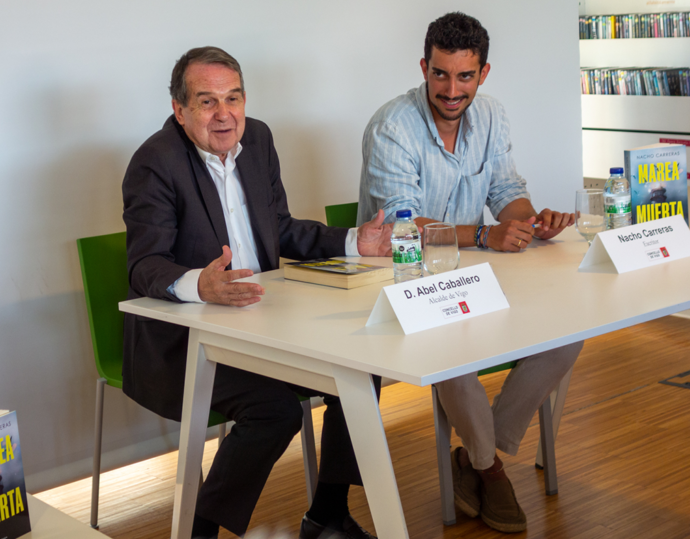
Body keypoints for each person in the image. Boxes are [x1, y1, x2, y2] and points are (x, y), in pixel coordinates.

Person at [122, 46, 392, 539]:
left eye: (233, 98)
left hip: (264, 324)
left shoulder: (260, 139)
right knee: (275, 410)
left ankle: (327, 515)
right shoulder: (155, 163)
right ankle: (198, 532)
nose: (224, 114)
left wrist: (356, 241)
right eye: (206, 102)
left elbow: (281, 230)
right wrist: (198, 283)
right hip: (184, 342)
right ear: (180, 110)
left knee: (361, 369)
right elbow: (144, 266)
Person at [357, 12, 582, 534]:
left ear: (483, 73)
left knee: (569, 331)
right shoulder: (392, 126)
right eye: (440, 75)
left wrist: (528, 222)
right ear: (424, 67)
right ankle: (490, 469)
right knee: (451, 352)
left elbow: (505, 190)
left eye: (464, 77)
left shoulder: (493, 116)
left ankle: (481, 456)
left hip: (472, 272)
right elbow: (403, 223)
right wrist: (484, 236)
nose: (451, 90)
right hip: (398, 279)